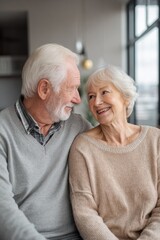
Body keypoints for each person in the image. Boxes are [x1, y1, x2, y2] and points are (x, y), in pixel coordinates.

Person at [0, 43, 92, 240]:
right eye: (72, 89)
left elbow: (116, 154)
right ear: (44, 89)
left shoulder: (79, 127)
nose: (77, 99)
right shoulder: (2, 131)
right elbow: (2, 208)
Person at [69, 65, 160, 240]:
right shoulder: (83, 147)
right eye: (91, 96)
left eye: (105, 92)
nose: (96, 102)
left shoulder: (155, 140)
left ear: (125, 97)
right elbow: (85, 213)